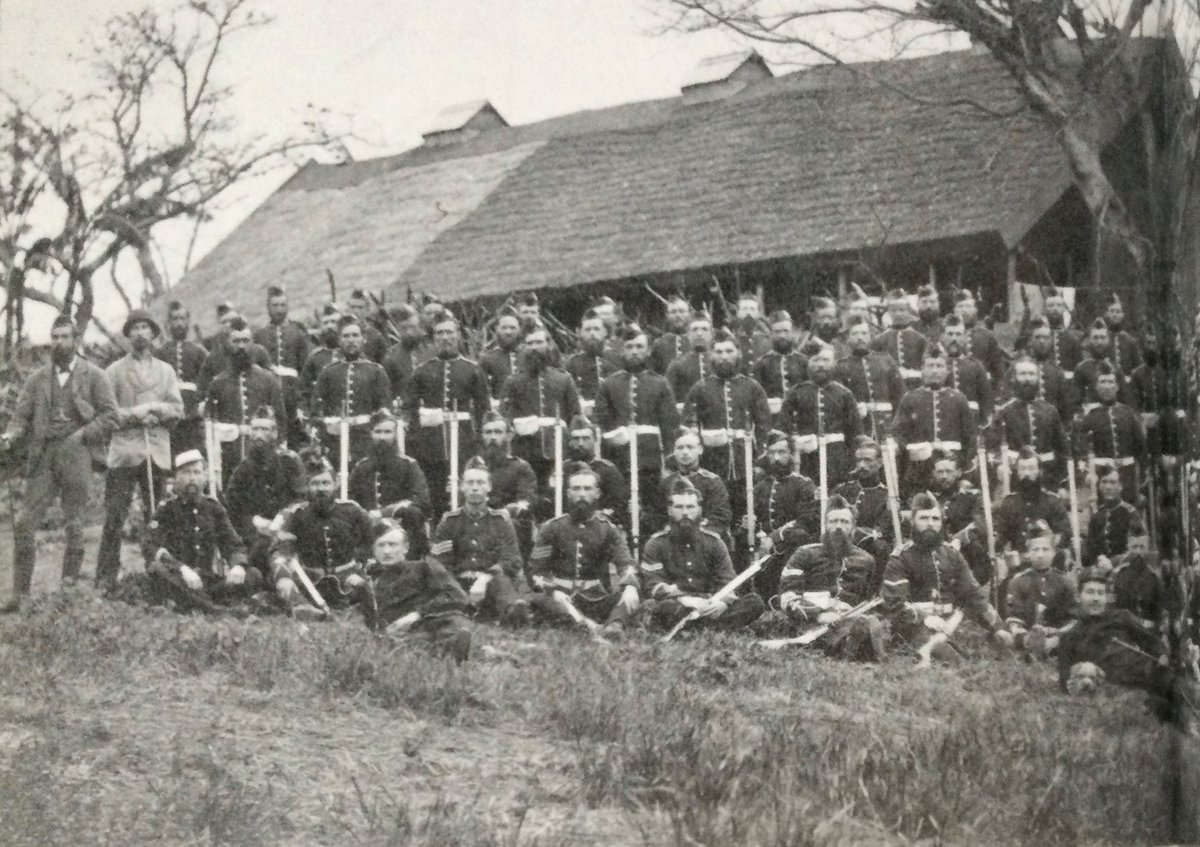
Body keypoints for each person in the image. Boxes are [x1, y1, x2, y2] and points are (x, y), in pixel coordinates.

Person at [0, 316, 118, 610]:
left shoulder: (94, 376)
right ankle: (20, 595)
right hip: (43, 455)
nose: (58, 342)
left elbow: (111, 416)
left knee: (75, 523)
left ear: (76, 341)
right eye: (54, 337)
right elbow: (20, 415)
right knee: (25, 522)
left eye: (65, 337)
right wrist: (11, 435)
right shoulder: (37, 379)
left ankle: (68, 594)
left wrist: (83, 435)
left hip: (77, 454)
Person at [97, 309, 184, 590]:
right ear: (128, 334)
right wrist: (137, 413)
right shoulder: (114, 371)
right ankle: (106, 578)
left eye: (145, 327)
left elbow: (177, 410)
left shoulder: (166, 371)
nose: (139, 333)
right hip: (124, 452)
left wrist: (156, 410)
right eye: (134, 328)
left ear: (153, 333)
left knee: (157, 518)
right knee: (114, 517)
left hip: (156, 452)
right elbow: (107, 415)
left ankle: (160, 575)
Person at [881, 493, 1012, 658]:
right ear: (913, 521)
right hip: (915, 626)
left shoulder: (952, 554)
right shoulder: (900, 557)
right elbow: (895, 605)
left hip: (951, 623)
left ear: (941, 523)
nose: (930, 524)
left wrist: (998, 626)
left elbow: (973, 595)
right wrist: (925, 618)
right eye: (924, 518)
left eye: (935, 519)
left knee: (996, 644)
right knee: (946, 654)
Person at [681, 328, 771, 556]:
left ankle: (742, 564)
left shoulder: (752, 387)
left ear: (738, 354)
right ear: (712, 356)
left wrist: (759, 459)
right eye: (719, 352)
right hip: (712, 464)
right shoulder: (700, 388)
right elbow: (689, 427)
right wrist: (705, 442)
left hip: (744, 467)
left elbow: (763, 425)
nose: (724, 356)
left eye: (729, 351)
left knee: (744, 519)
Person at [527, 466, 639, 638]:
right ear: (568, 493)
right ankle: (583, 625)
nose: (581, 494)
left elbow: (625, 562)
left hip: (596, 598)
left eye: (587, 489)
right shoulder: (551, 528)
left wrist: (630, 586)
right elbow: (536, 571)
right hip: (560, 597)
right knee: (540, 601)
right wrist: (553, 591)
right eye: (576, 488)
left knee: (629, 596)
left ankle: (613, 627)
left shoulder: (608, 530)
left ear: (597, 493)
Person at [143, 449, 260, 613]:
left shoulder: (213, 508)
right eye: (186, 472)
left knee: (253, 574)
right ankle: (216, 609)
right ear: (176, 477)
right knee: (157, 569)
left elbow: (233, 544)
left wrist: (238, 566)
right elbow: (149, 545)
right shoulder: (167, 509)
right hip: (179, 578)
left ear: (204, 477)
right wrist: (182, 568)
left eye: (197, 472)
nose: (192, 478)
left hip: (205, 580)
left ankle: (199, 604)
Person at [641, 479, 766, 631]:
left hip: (709, 604)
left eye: (690, 507)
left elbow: (727, 580)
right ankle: (716, 628)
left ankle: (697, 627)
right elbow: (652, 584)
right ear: (670, 510)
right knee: (663, 607)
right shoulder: (656, 544)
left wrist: (722, 604)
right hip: (678, 604)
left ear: (699, 510)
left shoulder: (715, 543)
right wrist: (685, 600)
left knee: (754, 602)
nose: (685, 512)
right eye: (679, 507)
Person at [594, 325, 680, 542]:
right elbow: (602, 421)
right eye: (629, 347)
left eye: (639, 346)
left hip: (650, 460)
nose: (634, 351)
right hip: (619, 460)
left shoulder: (660, 383)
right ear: (622, 351)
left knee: (652, 511)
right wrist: (616, 437)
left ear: (648, 350)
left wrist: (668, 463)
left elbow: (669, 426)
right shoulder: (609, 384)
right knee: (622, 509)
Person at [774, 496, 884, 661]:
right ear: (825, 525)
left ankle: (853, 645)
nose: (838, 526)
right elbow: (788, 597)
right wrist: (819, 614)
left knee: (868, 623)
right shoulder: (805, 553)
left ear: (853, 528)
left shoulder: (867, 560)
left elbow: (869, 599)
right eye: (833, 521)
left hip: (850, 619)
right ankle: (852, 648)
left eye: (844, 522)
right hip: (811, 622)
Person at [407, 312, 491, 520]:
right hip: (431, 443)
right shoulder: (422, 371)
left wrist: (479, 442)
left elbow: (483, 410)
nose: (445, 337)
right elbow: (411, 409)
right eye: (440, 333)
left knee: (463, 490)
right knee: (436, 493)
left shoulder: (472, 370)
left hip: (463, 441)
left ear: (458, 336)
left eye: (449, 332)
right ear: (434, 338)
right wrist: (417, 441)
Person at [267, 456, 374, 618]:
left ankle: (353, 612)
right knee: (287, 588)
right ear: (307, 487)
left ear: (335, 484)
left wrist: (357, 569)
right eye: (315, 484)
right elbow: (281, 550)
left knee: (364, 589)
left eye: (326, 483)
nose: (321, 489)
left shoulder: (353, 511)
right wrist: (284, 577)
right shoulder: (295, 514)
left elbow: (370, 544)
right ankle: (307, 610)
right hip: (309, 579)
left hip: (347, 577)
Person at [428, 457, 529, 625]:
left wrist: (484, 579)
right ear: (462, 487)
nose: (475, 487)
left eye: (480, 483)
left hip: (491, 585)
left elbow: (511, 560)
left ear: (489, 487)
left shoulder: (501, 521)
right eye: (470, 483)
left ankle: (513, 613)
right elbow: (441, 563)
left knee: (502, 582)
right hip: (460, 584)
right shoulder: (449, 521)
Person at [1056, 567, 1171, 707]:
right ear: (1078, 596)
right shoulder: (1070, 637)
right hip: (1112, 694)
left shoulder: (1122, 617)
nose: (1096, 599)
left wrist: (1162, 655)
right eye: (1090, 592)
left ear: (1107, 597)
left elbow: (1151, 642)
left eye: (1100, 593)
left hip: (1146, 679)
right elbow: (1065, 681)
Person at [363, 523, 472, 664]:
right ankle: (437, 652)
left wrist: (417, 614)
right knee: (405, 642)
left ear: (406, 548)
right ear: (373, 550)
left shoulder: (423, 567)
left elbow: (457, 595)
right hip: (398, 629)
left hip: (431, 617)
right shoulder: (369, 580)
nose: (387, 551)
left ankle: (453, 646)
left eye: (392, 545)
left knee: (453, 623)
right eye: (381, 545)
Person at [223, 406, 306, 574]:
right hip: (254, 534)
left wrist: (282, 518)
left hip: (288, 530)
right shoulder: (242, 470)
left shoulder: (290, 462)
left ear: (274, 433)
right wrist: (254, 521)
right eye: (255, 429)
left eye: (264, 429)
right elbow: (232, 508)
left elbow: (302, 498)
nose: (259, 434)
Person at [204, 317, 286, 484]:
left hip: (263, 455)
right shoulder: (218, 383)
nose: (241, 346)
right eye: (236, 341)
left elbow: (281, 419)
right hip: (230, 456)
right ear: (228, 344)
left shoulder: (268, 380)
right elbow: (209, 423)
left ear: (253, 344)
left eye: (245, 341)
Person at [499, 324, 580, 484]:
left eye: (538, 342)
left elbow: (575, 416)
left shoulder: (564, 379)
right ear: (523, 348)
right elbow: (505, 416)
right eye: (530, 344)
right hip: (525, 449)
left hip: (558, 448)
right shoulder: (513, 381)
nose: (534, 348)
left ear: (548, 345)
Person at [892, 344, 976, 496]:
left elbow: (970, 438)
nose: (935, 371)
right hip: (919, 467)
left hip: (951, 465)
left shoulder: (959, 399)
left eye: (939, 366)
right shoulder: (910, 398)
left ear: (947, 370)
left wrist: (965, 473)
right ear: (922, 370)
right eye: (930, 366)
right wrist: (913, 449)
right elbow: (899, 434)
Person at [347, 409, 432, 559]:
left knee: (414, 514)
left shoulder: (409, 465)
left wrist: (384, 513)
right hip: (369, 529)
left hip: (401, 527)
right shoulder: (361, 467)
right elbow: (351, 500)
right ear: (371, 434)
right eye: (378, 432)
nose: (382, 437)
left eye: (387, 432)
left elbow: (422, 500)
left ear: (395, 434)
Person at [311, 317, 392, 467]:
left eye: (355, 335)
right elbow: (316, 409)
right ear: (339, 341)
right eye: (346, 336)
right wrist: (328, 426)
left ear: (364, 339)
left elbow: (384, 409)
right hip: (335, 440)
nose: (351, 340)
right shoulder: (328, 372)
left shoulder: (376, 371)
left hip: (365, 442)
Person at [782, 343, 861, 491]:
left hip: (837, 456)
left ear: (833, 363)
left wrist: (850, 459)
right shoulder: (796, 393)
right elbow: (784, 426)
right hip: (807, 457)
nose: (820, 365)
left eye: (825, 360)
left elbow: (855, 431)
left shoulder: (844, 394)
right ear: (808, 363)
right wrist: (796, 443)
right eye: (816, 360)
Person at [751, 431, 819, 596]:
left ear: (792, 455)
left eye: (781, 452)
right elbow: (757, 518)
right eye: (772, 453)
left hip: (792, 546)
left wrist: (774, 537)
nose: (776, 458)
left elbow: (805, 521)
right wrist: (749, 524)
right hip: (765, 549)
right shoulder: (760, 487)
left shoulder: (804, 484)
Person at [1003, 522, 1077, 658]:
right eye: (1035, 550)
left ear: (1054, 553)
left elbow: (1073, 619)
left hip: (1058, 643)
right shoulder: (1018, 582)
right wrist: (1026, 639)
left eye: (1045, 549)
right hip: (1026, 642)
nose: (1040, 555)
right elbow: (1013, 618)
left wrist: (1057, 639)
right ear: (1028, 554)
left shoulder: (1065, 582)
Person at [993, 356, 1070, 485]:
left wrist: (1063, 482)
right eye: (1022, 374)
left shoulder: (1050, 411)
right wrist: (1000, 465)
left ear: (1038, 378)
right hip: (1016, 476)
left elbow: (1062, 449)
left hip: (1047, 475)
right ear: (1014, 378)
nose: (1027, 378)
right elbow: (994, 446)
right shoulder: (1004, 411)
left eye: (1031, 374)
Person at [1078, 362, 1145, 503]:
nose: (1107, 386)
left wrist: (1141, 478)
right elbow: (1081, 449)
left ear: (1117, 386)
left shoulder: (1128, 413)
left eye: (1110, 382)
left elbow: (1141, 447)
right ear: (1097, 387)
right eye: (1103, 382)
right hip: (1102, 477)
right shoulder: (1090, 417)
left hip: (1127, 476)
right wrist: (1087, 473)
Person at [253, 285, 311, 448]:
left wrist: (301, 402)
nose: (279, 310)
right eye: (275, 305)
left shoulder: (297, 335)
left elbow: (304, 370)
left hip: (291, 396)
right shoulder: (260, 335)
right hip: (267, 397)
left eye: (282, 305)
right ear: (268, 307)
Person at [835, 316, 903, 441]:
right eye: (855, 333)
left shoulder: (886, 360)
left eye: (864, 333)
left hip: (886, 423)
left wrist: (895, 425)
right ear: (848, 337)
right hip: (859, 425)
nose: (860, 337)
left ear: (870, 336)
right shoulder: (841, 366)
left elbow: (899, 396)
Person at [993, 447, 1071, 556]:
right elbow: (1000, 537)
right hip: (1019, 563)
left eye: (1031, 468)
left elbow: (1064, 535)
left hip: (1048, 562)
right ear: (1017, 472)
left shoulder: (1053, 502)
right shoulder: (1009, 503)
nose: (1026, 473)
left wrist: (1050, 545)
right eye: (1022, 468)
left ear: (1040, 471)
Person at [659, 431, 733, 543]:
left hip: (704, 541)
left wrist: (699, 534)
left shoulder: (713, 481)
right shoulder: (667, 483)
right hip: (674, 541)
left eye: (690, 447)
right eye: (680, 448)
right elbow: (659, 515)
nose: (684, 452)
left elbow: (721, 516)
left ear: (700, 450)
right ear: (674, 452)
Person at [156, 301, 208, 456]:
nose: (179, 323)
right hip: (169, 411)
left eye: (182, 319)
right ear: (169, 323)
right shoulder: (160, 352)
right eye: (175, 319)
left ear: (188, 322)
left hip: (192, 410)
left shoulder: (199, 351)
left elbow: (205, 380)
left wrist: (201, 404)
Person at [565, 415, 628, 528]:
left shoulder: (608, 470)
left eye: (585, 438)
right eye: (576, 439)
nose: (580, 443)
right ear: (570, 442)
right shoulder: (562, 470)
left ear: (595, 440)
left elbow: (619, 504)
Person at [1082, 466, 1146, 568]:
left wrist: (1113, 562)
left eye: (1113, 482)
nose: (1108, 487)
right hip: (1101, 570)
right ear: (1099, 486)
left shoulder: (1130, 513)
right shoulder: (1097, 516)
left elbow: (1140, 548)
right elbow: (1090, 549)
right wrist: (1098, 559)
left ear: (1120, 486)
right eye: (1104, 482)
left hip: (1126, 569)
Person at [753, 310, 808, 428]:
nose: (782, 335)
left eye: (786, 331)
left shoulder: (804, 361)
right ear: (771, 334)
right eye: (777, 332)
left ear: (792, 332)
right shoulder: (762, 363)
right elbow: (757, 398)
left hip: (801, 420)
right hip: (773, 422)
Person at [197, 307, 271, 394]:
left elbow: (269, 381)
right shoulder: (214, 356)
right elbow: (204, 385)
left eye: (232, 321)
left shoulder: (259, 352)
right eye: (224, 322)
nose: (229, 325)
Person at [563, 309, 620, 419]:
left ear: (605, 332)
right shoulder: (572, 363)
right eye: (587, 330)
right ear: (579, 333)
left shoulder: (618, 358)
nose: (592, 333)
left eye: (596, 329)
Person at [941, 315, 993, 423]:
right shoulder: (936, 365)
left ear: (965, 338)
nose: (954, 338)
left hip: (970, 420)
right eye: (950, 334)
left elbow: (985, 398)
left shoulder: (976, 365)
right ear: (942, 337)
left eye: (958, 334)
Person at [871, 290, 927, 389]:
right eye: (894, 310)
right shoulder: (880, 339)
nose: (898, 314)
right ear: (888, 312)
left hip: (915, 386)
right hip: (890, 387)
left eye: (902, 310)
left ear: (908, 311)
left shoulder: (920, 339)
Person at [1109, 533, 1165, 628]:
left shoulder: (1154, 578)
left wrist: (1154, 624)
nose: (1138, 551)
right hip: (1124, 629)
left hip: (1148, 630)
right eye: (1134, 547)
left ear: (1147, 549)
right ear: (1128, 549)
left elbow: (1159, 610)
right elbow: (1113, 608)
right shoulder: (1119, 575)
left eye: (1142, 547)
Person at [952, 289, 1006, 384]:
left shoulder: (986, 336)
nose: (964, 310)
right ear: (954, 310)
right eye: (960, 306)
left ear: (975, 310)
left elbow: (998, 367)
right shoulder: (945, 334)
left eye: (968, 306)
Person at [299, 305, 344, 410]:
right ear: (320, 327)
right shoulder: (314, 358)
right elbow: (304, 391)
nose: (329, 326)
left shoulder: (351, 355)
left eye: (333, 322)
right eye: (326, 323)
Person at [380, 304, 428, 401]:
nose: (409, 332)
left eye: (412, 327)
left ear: (421, 328)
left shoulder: (432, 351)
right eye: (404, 328)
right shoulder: (391, 357)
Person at [665, 315, 714, 403]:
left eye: (704, 329)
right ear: (688, 335)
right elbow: (668, 399)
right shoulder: (677, 365)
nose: (699, 333)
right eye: (694, 330)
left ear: (712, 334)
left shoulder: (719, 362)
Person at [479, 310, 523, 399]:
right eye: (504, 328)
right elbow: (481, 390)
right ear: (496, 329)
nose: (508, 332)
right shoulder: (488, 359)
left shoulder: (528, 356)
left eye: (512, 328)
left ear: (519, 329)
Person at [649, 295, 693, 375]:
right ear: (667, 316)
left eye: (681, 311)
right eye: (673, 312)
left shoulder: (696, 341)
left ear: (689, 313)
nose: (678, 315)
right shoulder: (659, 344)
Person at [345, 288, 390, 363]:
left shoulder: (376, 336)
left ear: (367, 309)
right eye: (352, 307)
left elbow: (384, 362)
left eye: (360, 308)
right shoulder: (340, 333)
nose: (356, 311)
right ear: (347, 308)